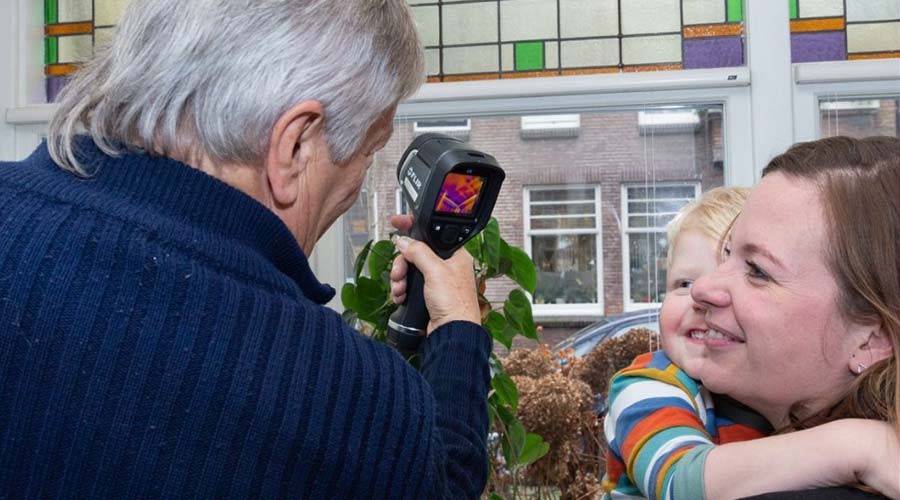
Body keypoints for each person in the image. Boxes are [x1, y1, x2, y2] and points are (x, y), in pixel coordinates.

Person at [0, 1, 490, 499]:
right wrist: (458, 331)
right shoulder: (348, 400)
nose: (361, 176)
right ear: (295, 147)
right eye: (370, 150)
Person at [605, 137, 900, 500]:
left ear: (870, 338)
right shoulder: (656, 386)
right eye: (727, 254)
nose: (703, 289)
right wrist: (857, 446)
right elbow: (678, 481)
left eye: (758, 271)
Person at [603, 187, 774, 499]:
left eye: (727, 284)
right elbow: (679, 484)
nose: (700, 298)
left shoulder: (772, 392)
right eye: (685, 284)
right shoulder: (648, 385)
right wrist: (852, 450)